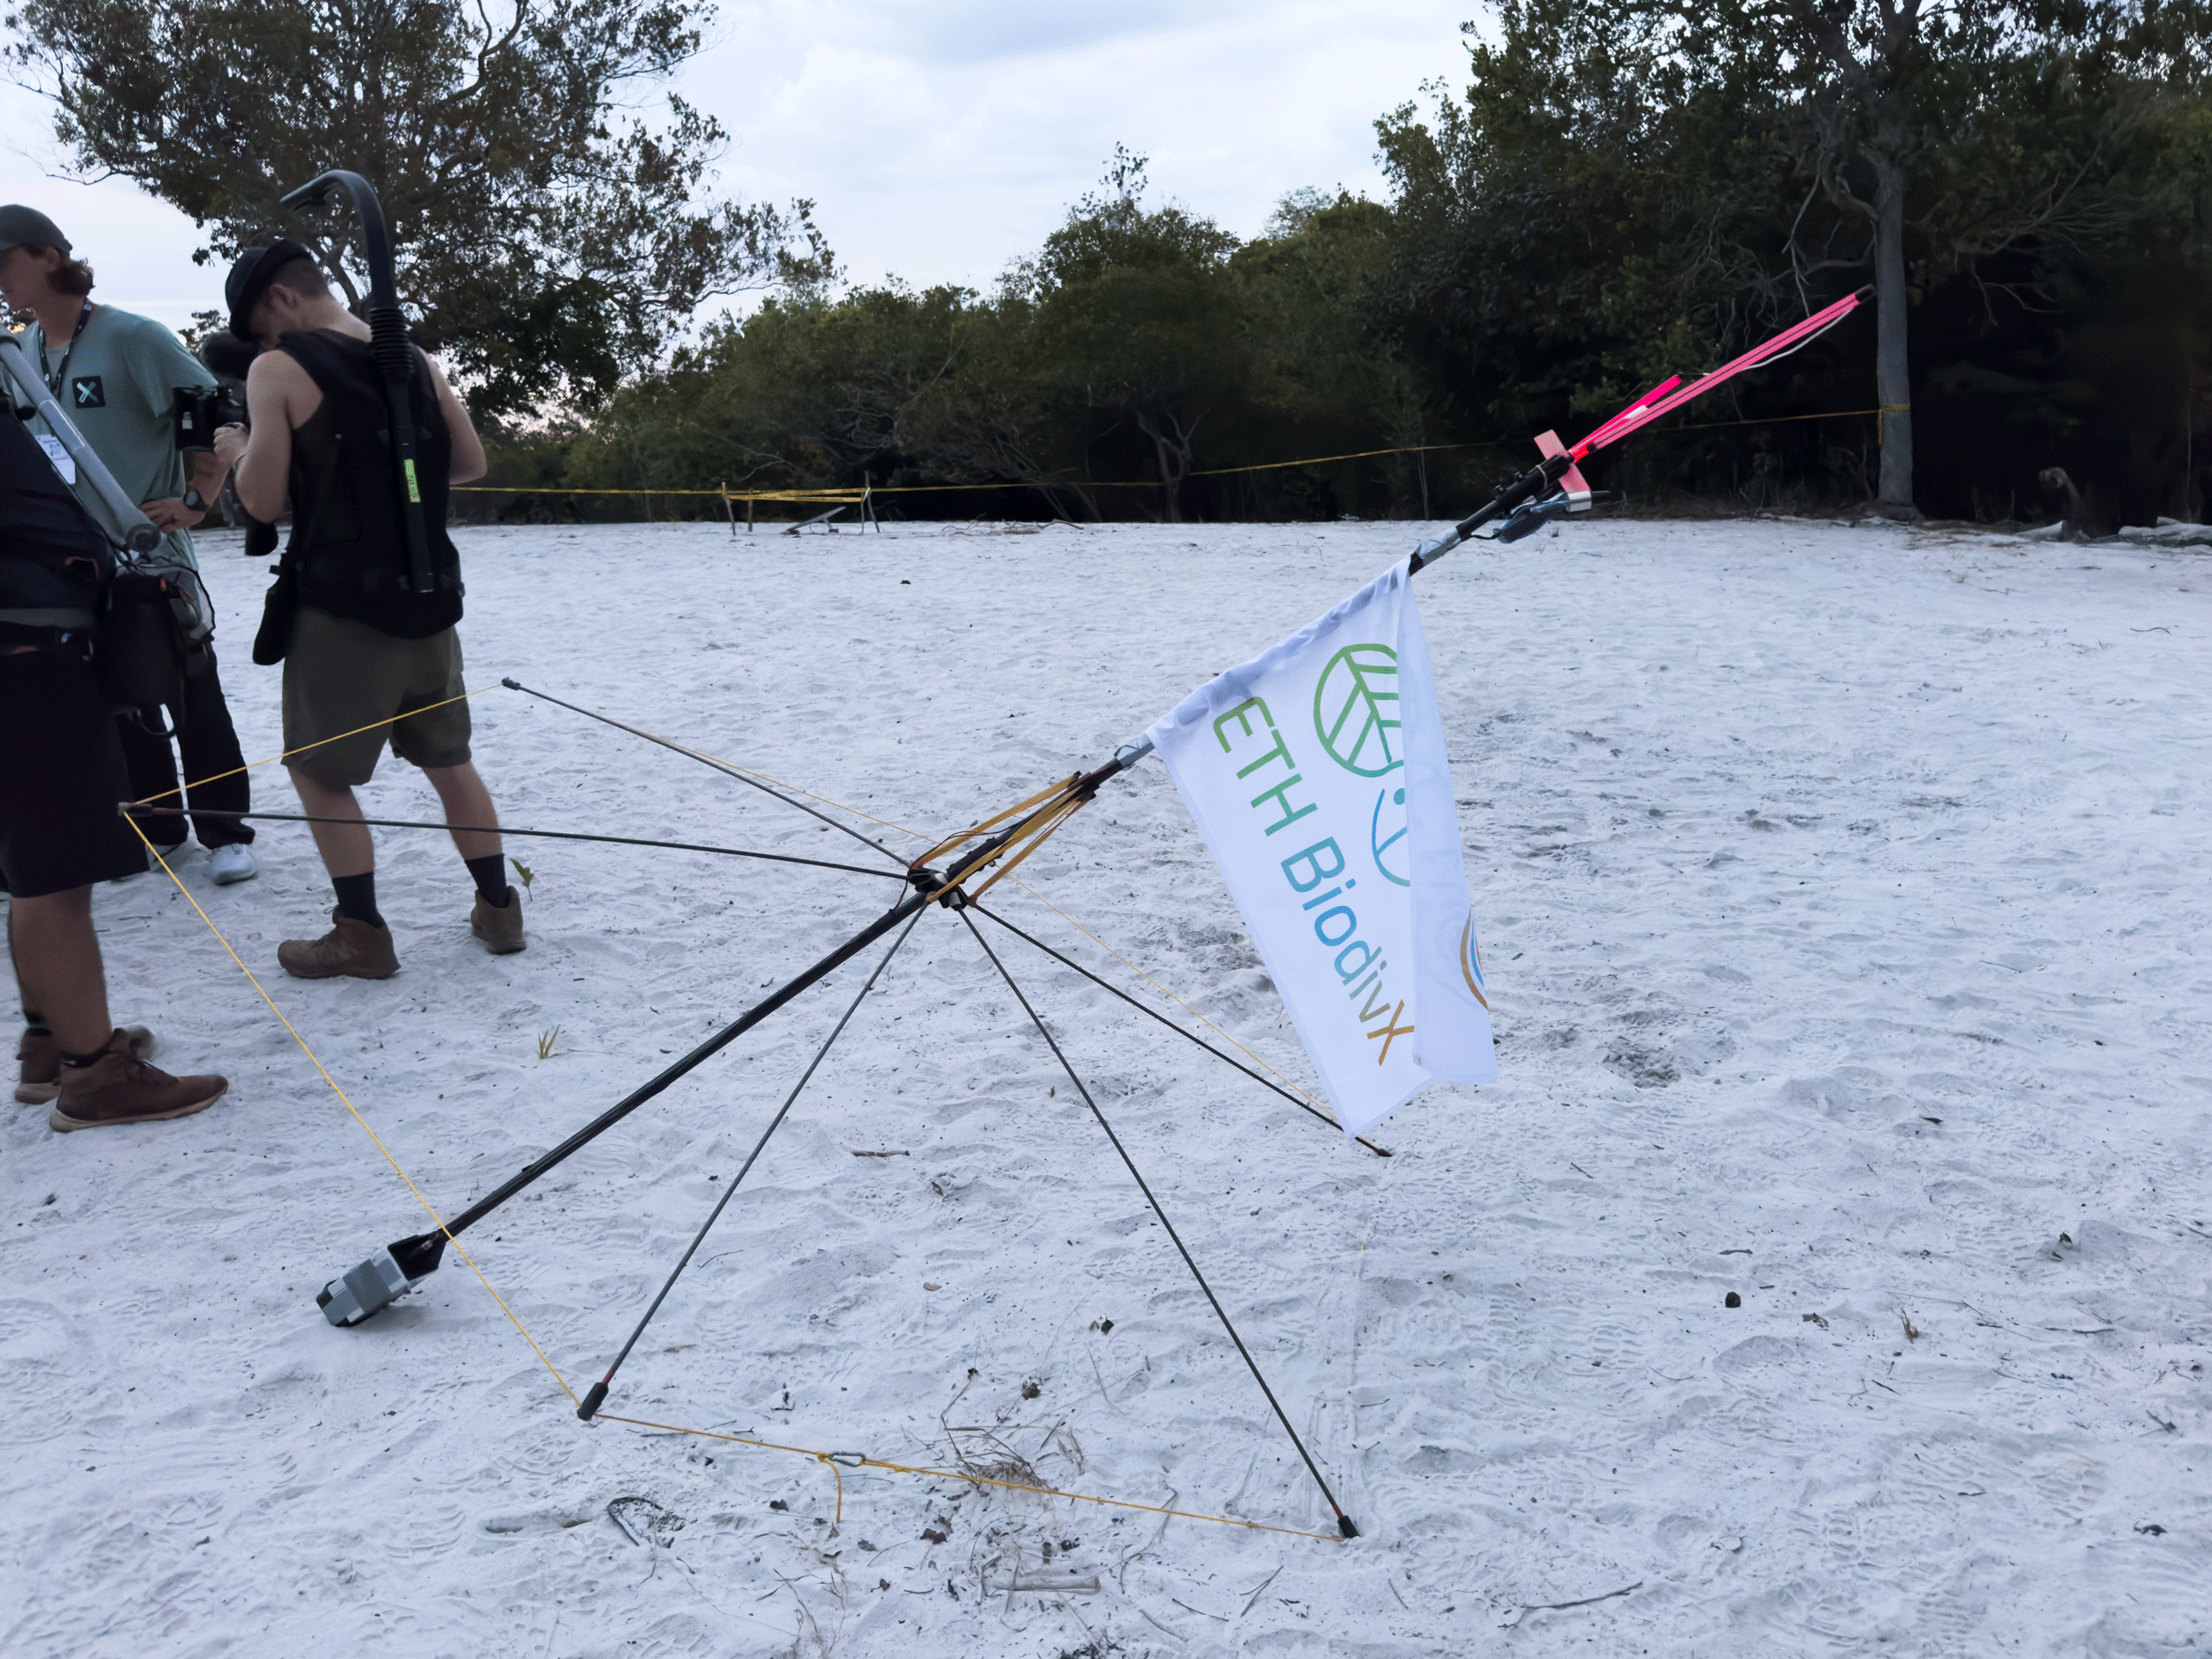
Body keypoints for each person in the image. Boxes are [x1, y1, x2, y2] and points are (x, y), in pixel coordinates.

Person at [211, 242, 523, 979]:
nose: (263, 343)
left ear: (281, 301)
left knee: (320, 773)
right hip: (429, 601)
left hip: (343, 611)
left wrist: (238, 449)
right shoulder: (410, 358)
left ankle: (361, 933)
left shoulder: (278, 368)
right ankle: (499, 909)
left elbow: (260, 502)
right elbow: (470, 461)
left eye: (260, 326)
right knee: (450, 761)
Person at [0, 204, 259, 886]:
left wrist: (198, 500)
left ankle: (227, 830)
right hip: (72, 563)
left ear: (50, 255)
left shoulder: (132, 337)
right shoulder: (17, 352)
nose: (0, 279)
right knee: (117, 695)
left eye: (5, 260)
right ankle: (161, 826)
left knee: (189, 688)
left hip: (151, 556)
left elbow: (218, 415)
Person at [0, 403, 230, 1129]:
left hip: (30, 642)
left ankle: (54, 1043)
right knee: (55, 867)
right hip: (28, 650)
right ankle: (94, 1074)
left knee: (29, 857)